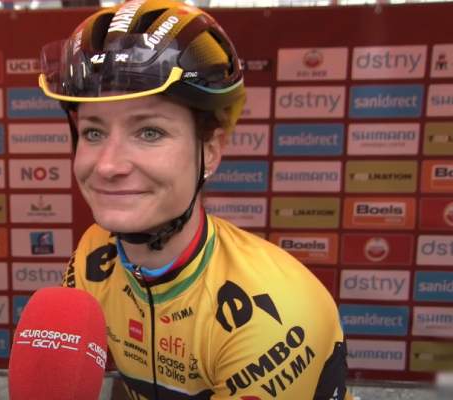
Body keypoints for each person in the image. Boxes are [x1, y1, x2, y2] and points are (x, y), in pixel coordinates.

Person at [39, 0, 352, 398]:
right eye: (93, 133)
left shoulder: (273, 316)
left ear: (211, 151)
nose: (108, 165)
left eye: (149, 132)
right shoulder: (92, 255)